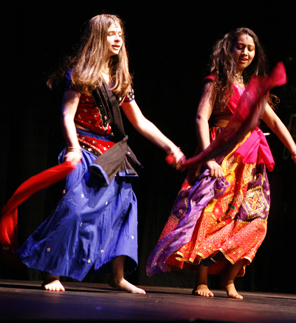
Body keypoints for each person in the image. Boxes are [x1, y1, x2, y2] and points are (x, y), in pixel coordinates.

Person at [16, 14, 185, 294]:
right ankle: (52, 272)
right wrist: (72, 148)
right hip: (83, 149)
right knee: (74, 208)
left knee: (124, 210)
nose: (118, 39)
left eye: (120, 34)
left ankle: (117, 276)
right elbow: (66, 115)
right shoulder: (81, 72)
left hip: (114, 155)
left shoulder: (119, 78)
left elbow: (140, 122)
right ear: (98, 38)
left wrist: (171, 147)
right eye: (111, 34)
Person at [146, 27, 296, 299]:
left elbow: (274, 121)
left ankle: (230, 278)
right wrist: (209, 157)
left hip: (251, 161)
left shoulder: (253, 87)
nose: (245, 52)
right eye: (240, 46)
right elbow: (201, 117)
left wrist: (295, 153)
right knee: (211, 214)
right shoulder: (216, 81)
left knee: (255, 220)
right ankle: (202, 279)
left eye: (250, 48)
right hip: (223, 155)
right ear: (228, 48)